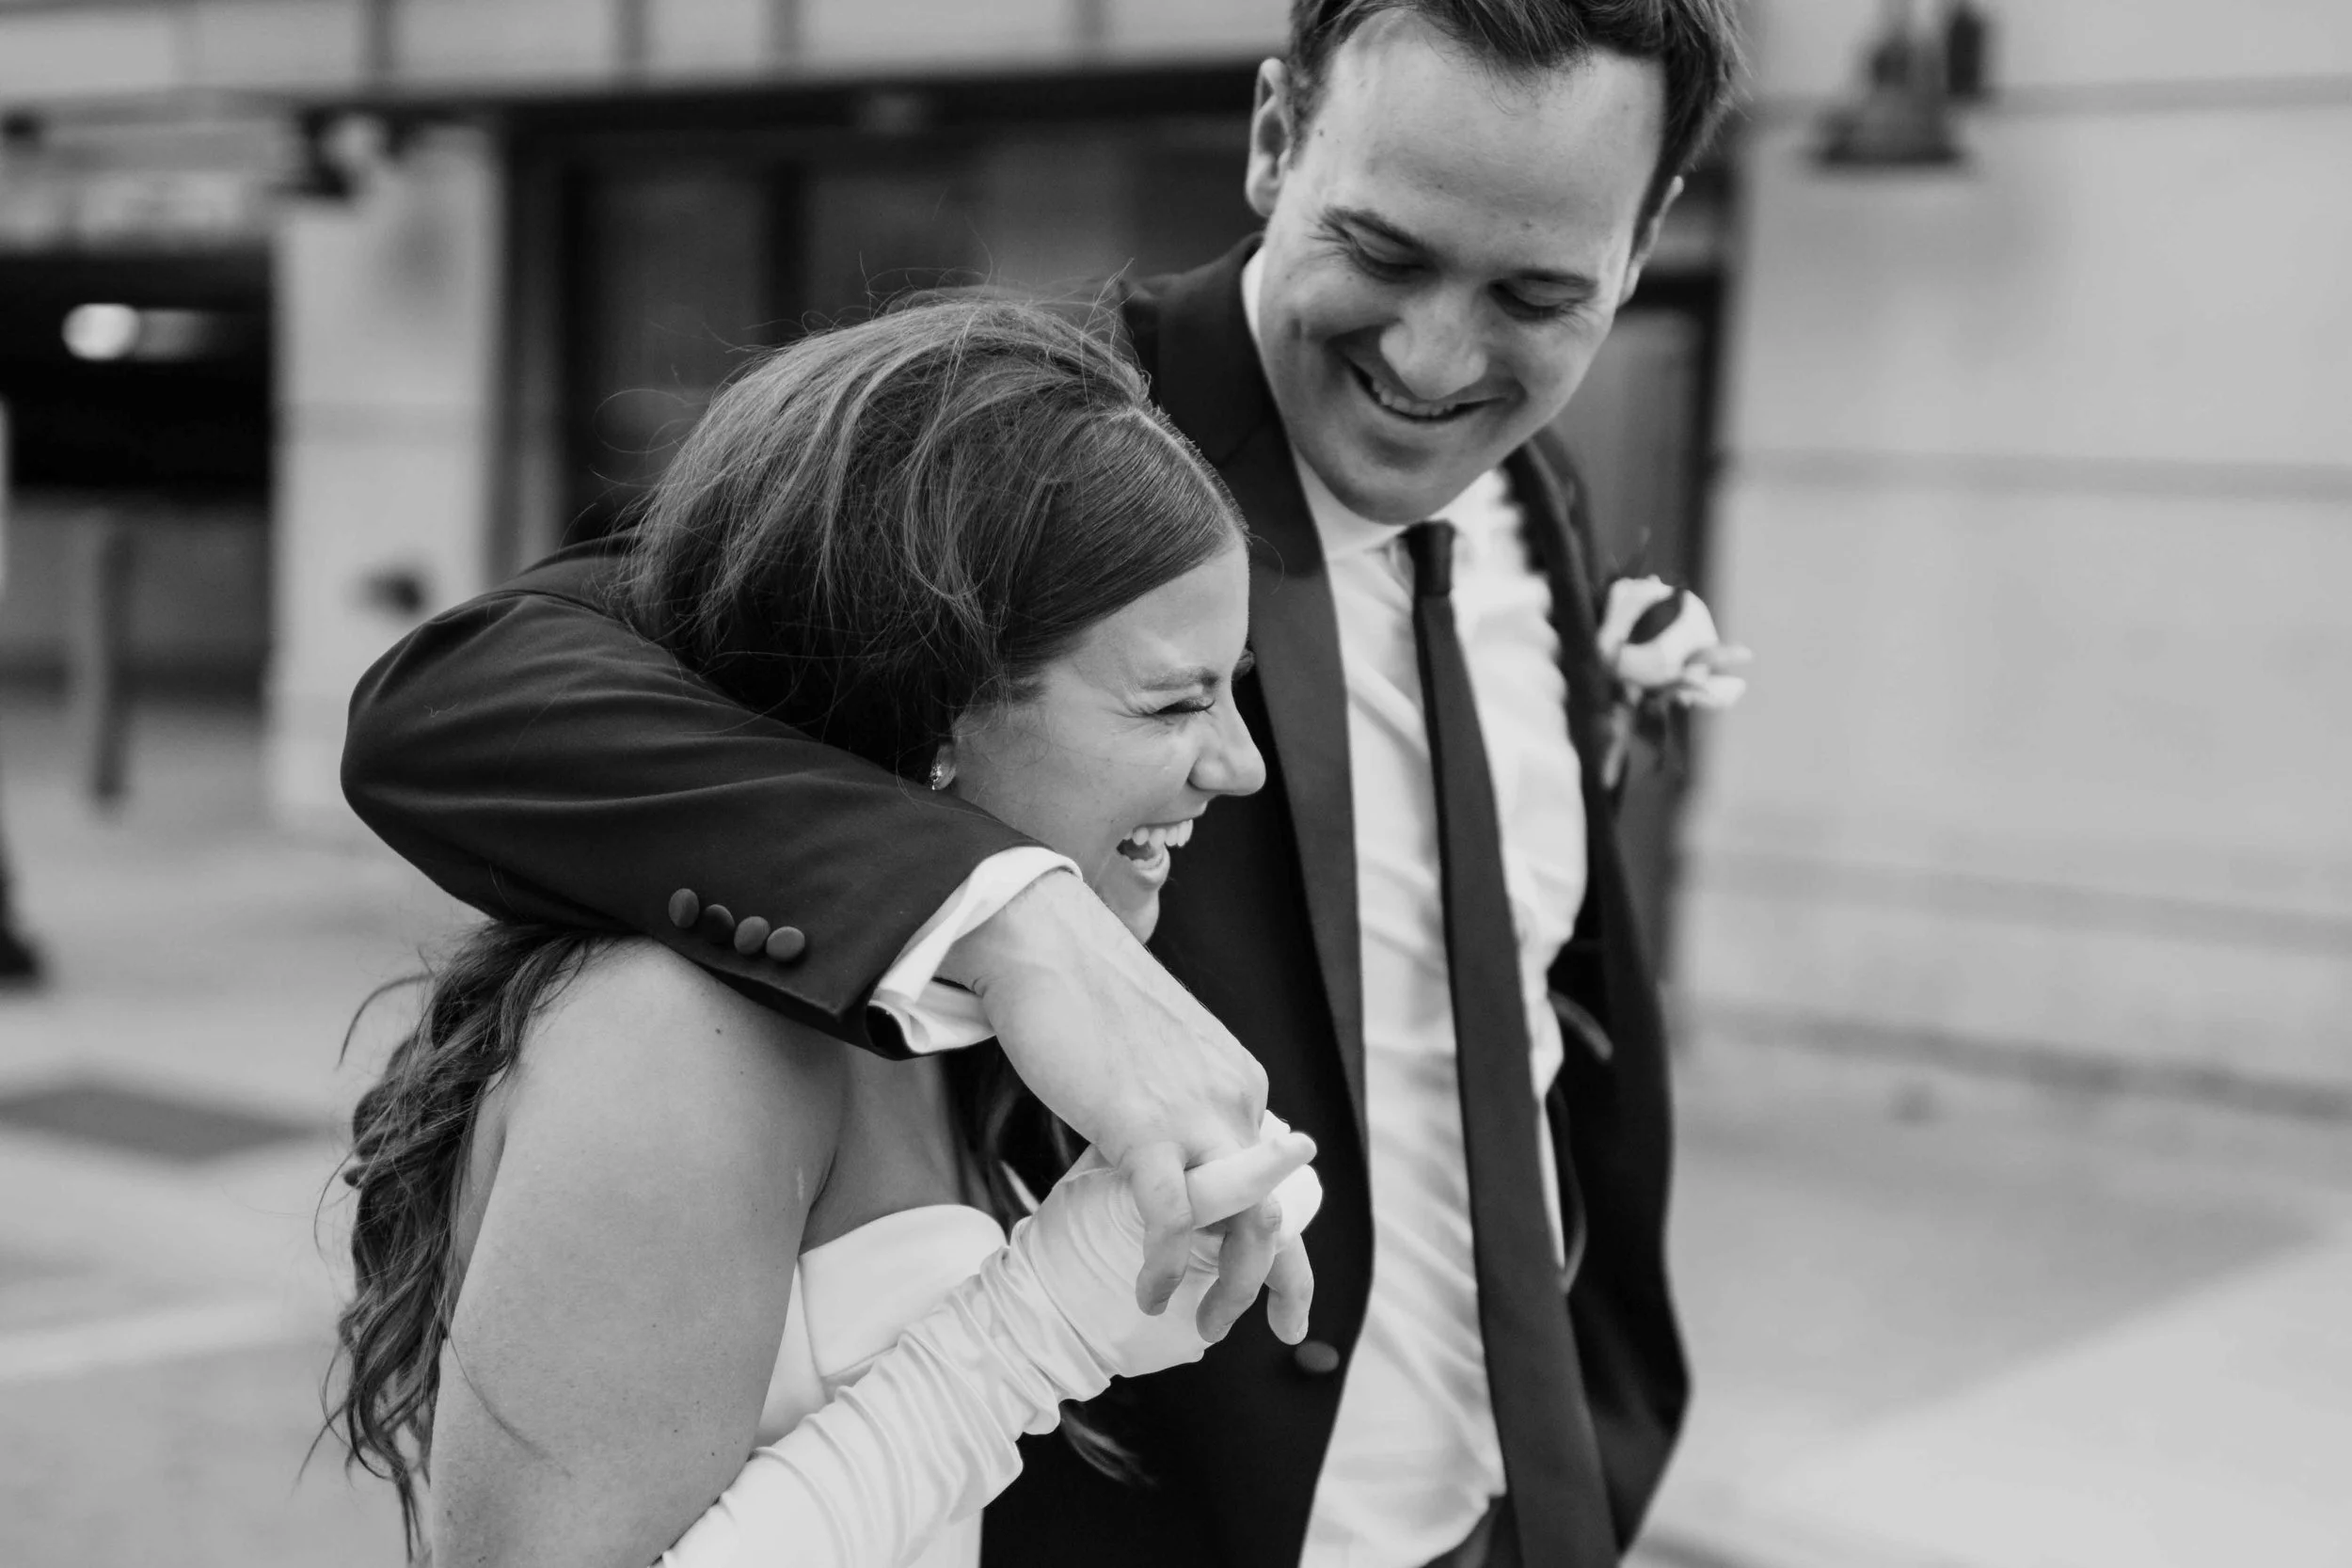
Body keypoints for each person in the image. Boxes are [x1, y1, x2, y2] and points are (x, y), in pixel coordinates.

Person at [341, 2, 1747, 1563]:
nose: (1434, 355)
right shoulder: (1043, 439)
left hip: (1517, 1504)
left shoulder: (1529, 499)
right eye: (1388, 253)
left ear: (1646, 240)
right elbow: (461, 692)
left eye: (1538, 293)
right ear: (1278, 136)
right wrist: (1008, 916)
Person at [326, 298, 1321, 1567]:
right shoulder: (681, 1036)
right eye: (1176, 700)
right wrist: (1046, 1318)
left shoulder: (946, 996)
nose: (1235, 766)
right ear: (937, 707)